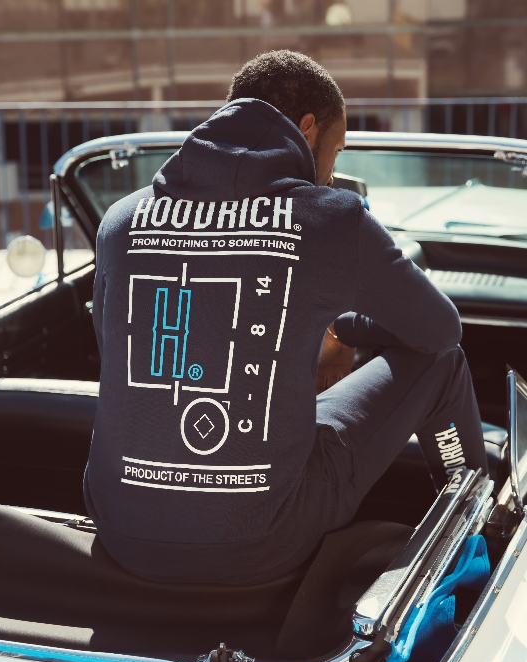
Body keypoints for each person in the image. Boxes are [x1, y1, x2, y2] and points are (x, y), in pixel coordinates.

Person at [85, 50, 489, 585]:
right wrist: (345, 326)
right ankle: (478, 527)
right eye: (335, 152)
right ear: (308, 128)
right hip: (264, 540)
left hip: (121, 531)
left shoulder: (121, 220)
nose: (331, 173)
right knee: (443, 363)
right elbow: (439, 329)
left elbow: (114, 349)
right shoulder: (332, 218)